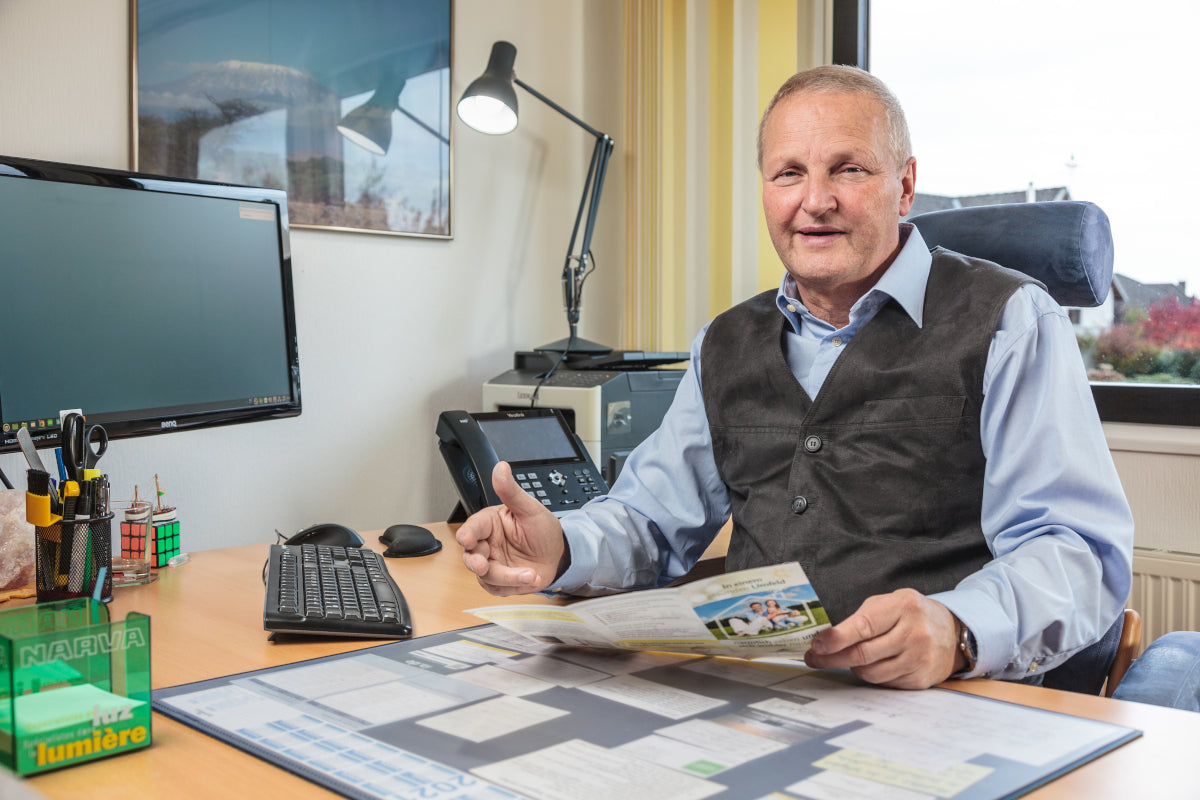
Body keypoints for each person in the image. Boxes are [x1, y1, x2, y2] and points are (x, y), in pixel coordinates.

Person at [457, 65, 1134, 691]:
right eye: (788, 174)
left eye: (848, 169)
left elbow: (1073, 549)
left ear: (904, 186)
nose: (815, 200)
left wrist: (958, 628)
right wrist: (563, 545)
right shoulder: (724, 342)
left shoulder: (1012, 321)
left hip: (944, 703)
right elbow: (650, 521)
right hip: (753, 694)